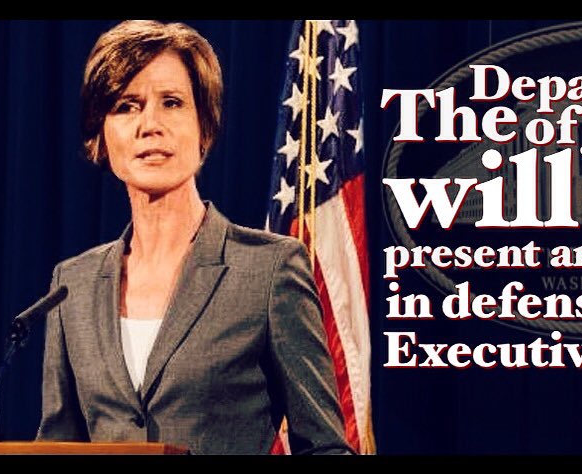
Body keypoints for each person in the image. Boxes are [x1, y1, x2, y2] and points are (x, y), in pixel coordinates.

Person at [35, 20, 352, 455]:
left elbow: (325, 447)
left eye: (171, 102)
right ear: (101, 137)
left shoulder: (269, 270)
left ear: (204, 125)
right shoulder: (71, 285)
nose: (150, 125)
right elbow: (56, 446)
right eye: (126, 106)